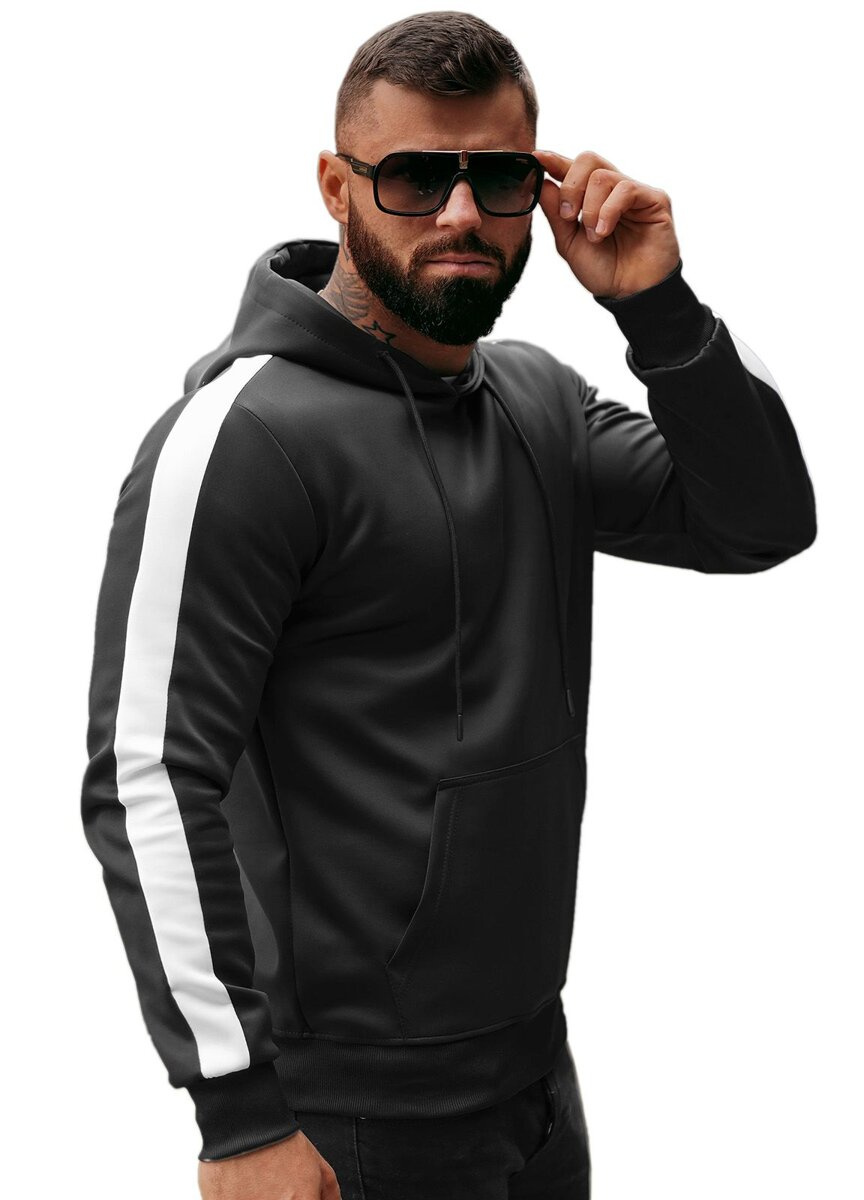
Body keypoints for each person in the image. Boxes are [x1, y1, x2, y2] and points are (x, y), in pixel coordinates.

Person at [79, 10, 817, 1200]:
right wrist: (238, 1117)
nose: (462, 213)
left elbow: (762, 518)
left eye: (500, 177)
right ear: (338, 186)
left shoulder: (539, 401)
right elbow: (149, 775)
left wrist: (659, 308)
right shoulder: (242, 441)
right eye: (417, 177)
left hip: (532, 1077)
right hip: (349, 1113)